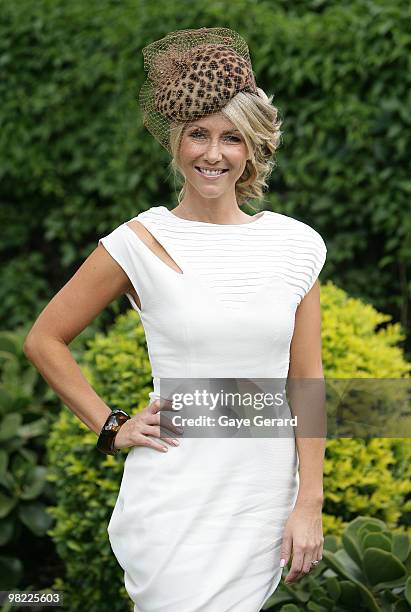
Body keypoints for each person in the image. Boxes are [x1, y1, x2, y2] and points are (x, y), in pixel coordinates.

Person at [24, 27, 327, 612]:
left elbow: (306, 381)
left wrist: (308, 502)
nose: (214, 153)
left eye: (232, 138)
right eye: (199, 134)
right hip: (174, 493)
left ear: (253, 148)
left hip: (261, 497)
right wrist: (110, 426)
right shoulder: (139, 240)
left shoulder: (296, 245)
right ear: (176, 142)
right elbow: (45, 339)